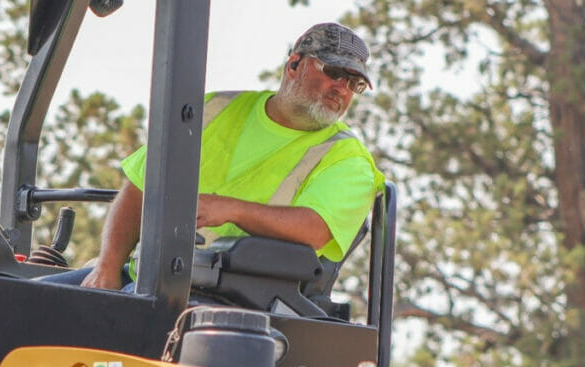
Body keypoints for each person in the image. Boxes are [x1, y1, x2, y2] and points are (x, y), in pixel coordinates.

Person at [45, 22, 384, 290]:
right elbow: (139, 189)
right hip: (151, 276)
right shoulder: (211, 109)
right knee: (20, 300)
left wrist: (231, 210)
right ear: (294, 64)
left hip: (235, 298)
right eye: (334, 72)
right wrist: (107, 267)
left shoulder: (348, 159)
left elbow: (316, 229)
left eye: (354, 83)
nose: (341, 88)